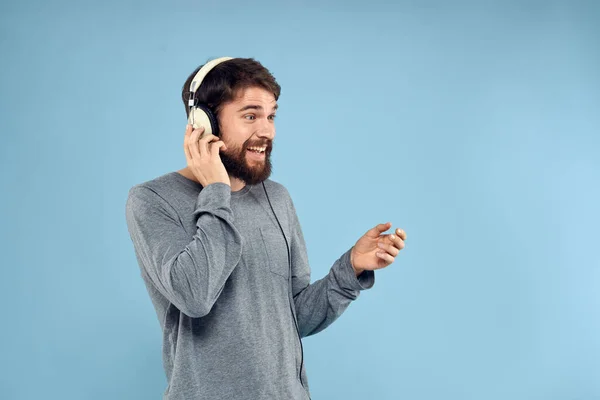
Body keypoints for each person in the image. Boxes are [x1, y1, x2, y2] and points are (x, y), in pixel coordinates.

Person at [125, 57, 407, 400]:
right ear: (204, 122)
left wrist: (350, 269)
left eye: (271, 116)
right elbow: (194, 295)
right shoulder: (152, 199)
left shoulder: (277, 198)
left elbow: (296, 318)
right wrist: (217, 191)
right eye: (250, 115)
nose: (267, 131)